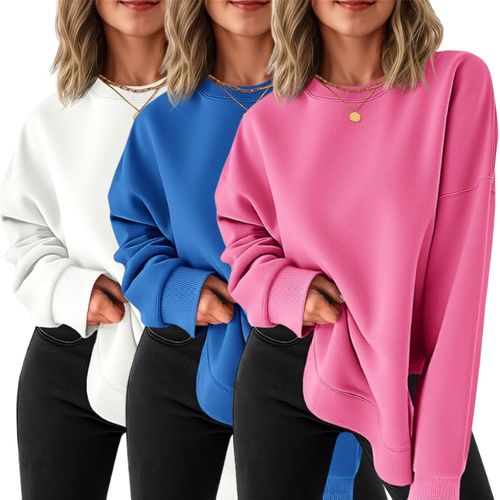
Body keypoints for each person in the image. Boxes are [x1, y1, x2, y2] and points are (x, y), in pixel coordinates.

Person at [214, 0, 497, 499]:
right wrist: (288, 290)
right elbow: (243, 239)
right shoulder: (265, 121)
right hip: (282, 369)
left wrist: (437, 475)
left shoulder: (454, 85)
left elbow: (461, 294)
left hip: (405, 373)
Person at [108, 1, 386, 499]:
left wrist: (295, 291)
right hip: (184, 353)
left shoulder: (340, 107)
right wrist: (181, 290)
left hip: (312, 351)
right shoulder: (161, 121)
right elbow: (136, 234)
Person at [0, 1, 167, 498]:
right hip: (73, 349)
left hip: (191, 353)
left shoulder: (226, 107)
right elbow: (21, 230)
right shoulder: (52, 119)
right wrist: (74, 291)